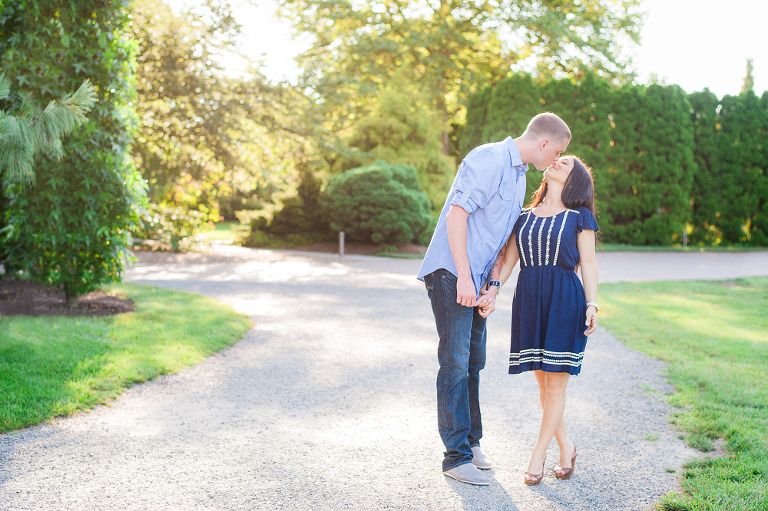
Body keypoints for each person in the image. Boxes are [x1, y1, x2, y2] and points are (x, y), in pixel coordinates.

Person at [417, 113, 572, 486]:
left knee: (474, 362)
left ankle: (471, 442)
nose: (556, 161)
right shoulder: (488, 158)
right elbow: (457, 218)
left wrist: (492, 286)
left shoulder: (519, 177)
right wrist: (466, 279)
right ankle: (455, 457)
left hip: (477, 281)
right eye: (559, 153)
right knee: (455, 362)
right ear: (544, 144)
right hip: (452, 274)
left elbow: (501, 240)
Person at [484, 154, 599, 485]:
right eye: (558, 160)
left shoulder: (580, 217)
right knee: (542, 381)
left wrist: (592, 305)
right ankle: (567, 445)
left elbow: (588, 264)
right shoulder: (523, 217)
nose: (557, 163)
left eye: (565, 165)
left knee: (555, 383)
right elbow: (508, 260)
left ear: (574, 180)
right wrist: (493, 289)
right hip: (531, 300)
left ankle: (538, 455)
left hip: (566, 301)